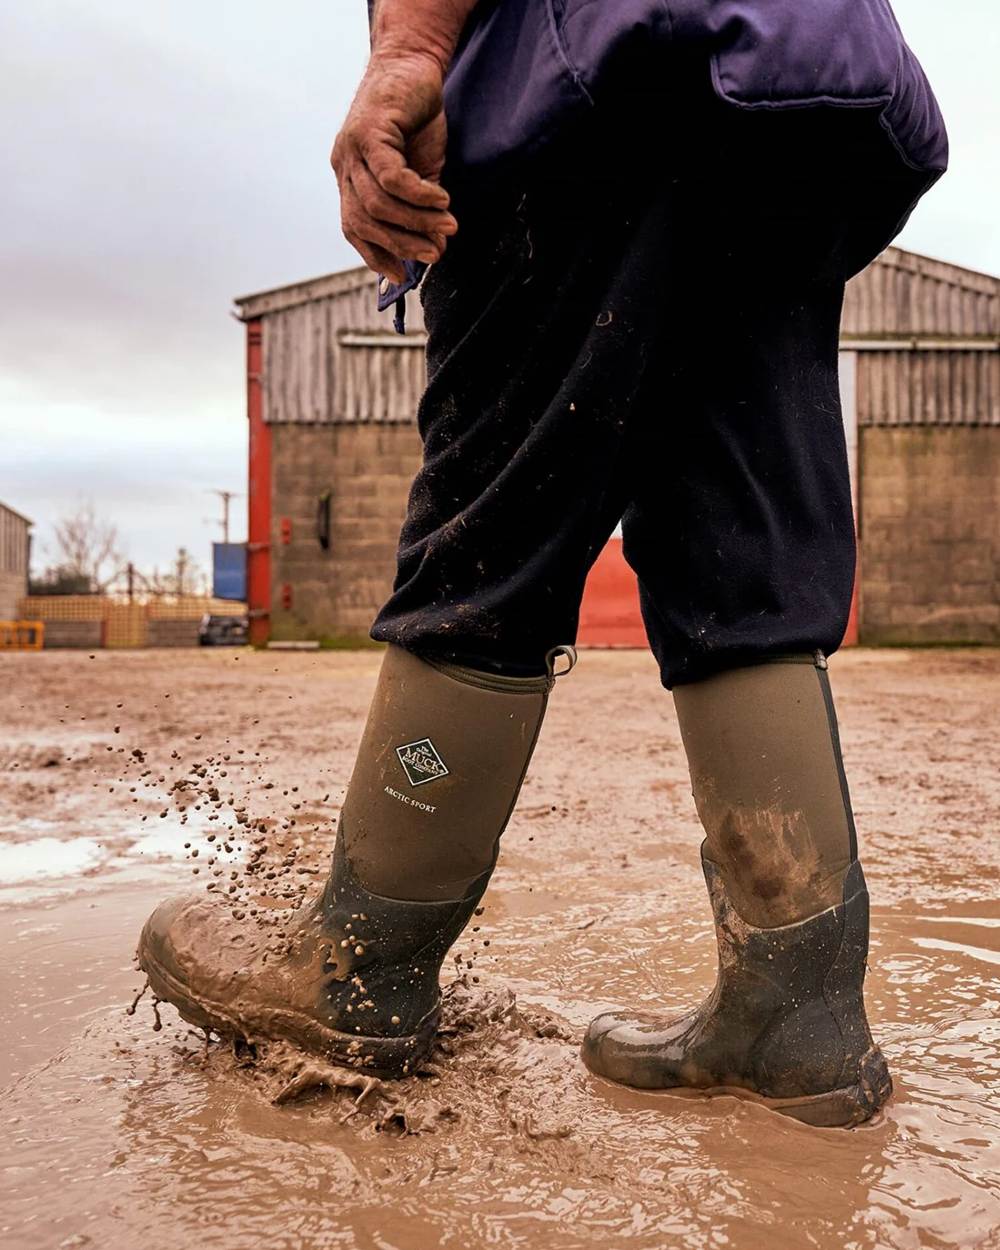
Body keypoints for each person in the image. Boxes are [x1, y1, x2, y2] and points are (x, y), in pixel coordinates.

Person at [138, 0, 946, 1126]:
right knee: (737, 552)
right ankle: (797, 1012)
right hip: (802, 92)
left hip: (602, 70)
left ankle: (359, 971)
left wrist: (410, 51)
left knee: (493, 532)